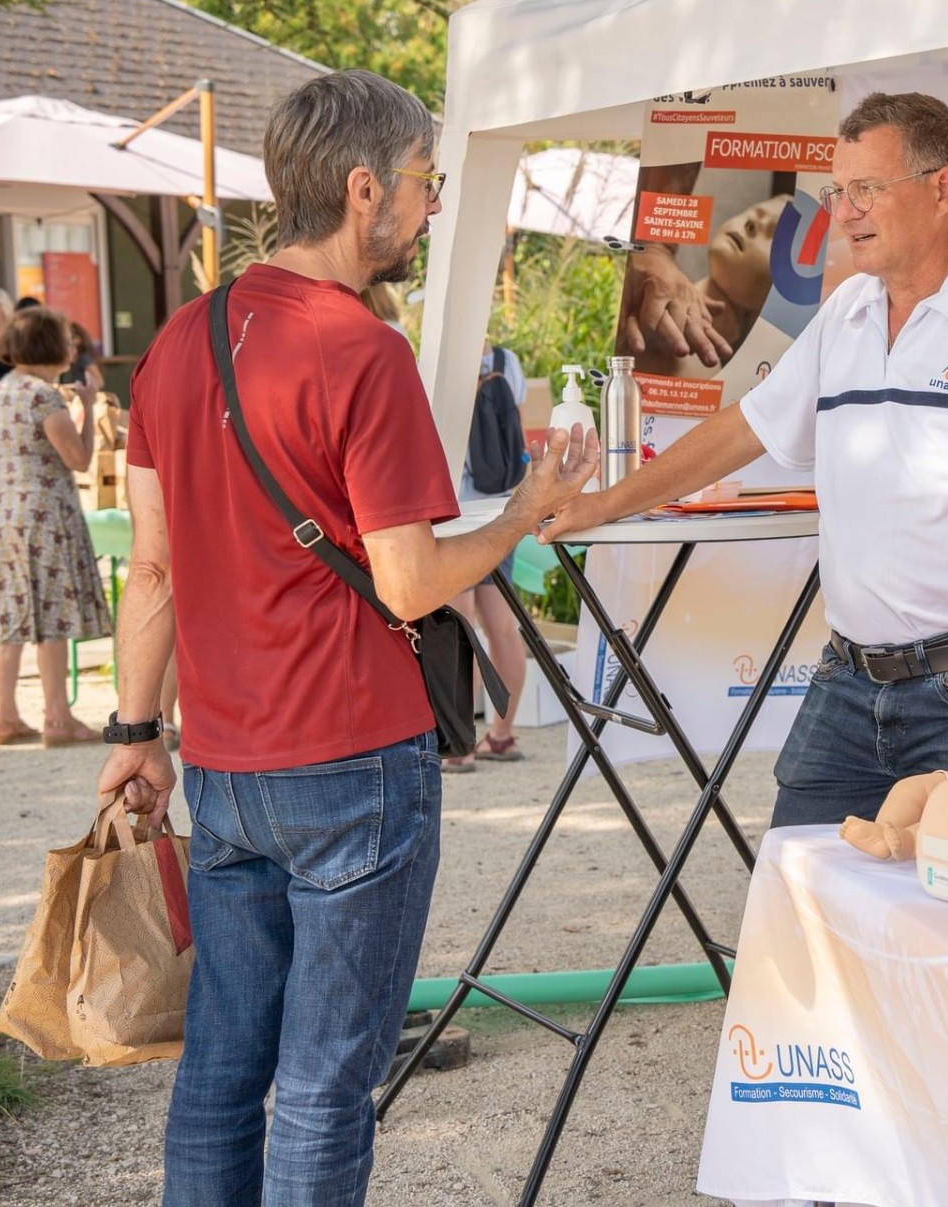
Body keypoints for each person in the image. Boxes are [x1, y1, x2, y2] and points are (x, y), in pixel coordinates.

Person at [90, 68, 596, 1205]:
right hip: (353, 758)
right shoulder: (360, 348)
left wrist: (134, 726)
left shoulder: (182, 338)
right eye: (426, 182)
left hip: (223, 760)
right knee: (324, 1079)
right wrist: (521, 514)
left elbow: (154, 565)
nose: (430, 207)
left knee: (223, 1063)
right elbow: (411, 584)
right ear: (364, 189)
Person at [546, 91, 948, 828]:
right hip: (850, 684)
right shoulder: (848, 310)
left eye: (866, 190)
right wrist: (601, 504)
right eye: (837, 191)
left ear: (942, 188)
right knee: (804, 899)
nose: (843, 212)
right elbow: (741, 430)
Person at [0, 307, 111, 747]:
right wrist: (90, 407)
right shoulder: (43, 396)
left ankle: (5, 716)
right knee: (50, 615)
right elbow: (78, 459)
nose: (73, 348)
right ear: (51, 346)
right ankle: (57, 717)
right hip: (47, 516)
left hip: (9, 515)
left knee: (12, 613)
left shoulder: (3, 390)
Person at [442, 338, 532, 771]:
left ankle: (460, 745)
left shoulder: (440, 365)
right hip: (501, 507)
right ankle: (502, 734)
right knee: (502, 627)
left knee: (461, 628)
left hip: (457, 511)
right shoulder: (507, 361)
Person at [626, 193, 788, 377]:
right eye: (755, 213)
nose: (751, 224)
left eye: (777, 236)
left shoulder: (700, 370)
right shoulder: (646, 288)